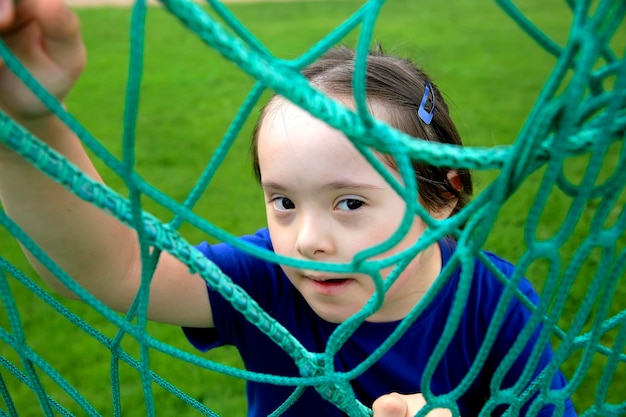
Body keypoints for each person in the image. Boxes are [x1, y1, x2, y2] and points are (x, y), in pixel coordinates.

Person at [0, 1, 577, 416]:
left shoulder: (493, 305)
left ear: (444, 195)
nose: (307, 240)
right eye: (283, 201)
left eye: (349, 202)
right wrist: (29, 121)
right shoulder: (271, 281)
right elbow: (117, 269)